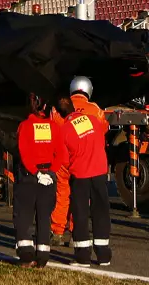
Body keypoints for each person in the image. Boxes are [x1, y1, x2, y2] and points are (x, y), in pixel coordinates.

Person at [14, 92, 67, 268]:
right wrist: (49, 172)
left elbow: (24, 152)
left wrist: (35, 172)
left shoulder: (25, 126)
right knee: (44, 218)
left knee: (23, 216)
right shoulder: (54, 127)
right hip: (48, 177)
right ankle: (43, 256)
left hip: (29, 177)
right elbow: (60, 153)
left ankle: (26, 256)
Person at [50, 76, 105, 243]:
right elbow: (102, 129)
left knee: (61, 194)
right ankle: (77, 232)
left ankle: (57, 232)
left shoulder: (57, 107)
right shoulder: (94, 109)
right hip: (82, 160)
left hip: (62, 158)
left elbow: (53, 129)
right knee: (81, 198)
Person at [61, 92, 112, 266]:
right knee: (101, 212)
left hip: (80, 175)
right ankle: (104, 255)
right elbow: (102, 134)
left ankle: (83, 256)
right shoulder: (92, 119)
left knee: (81, 214)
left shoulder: (65, 129)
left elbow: (63, 158)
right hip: (99, 172)